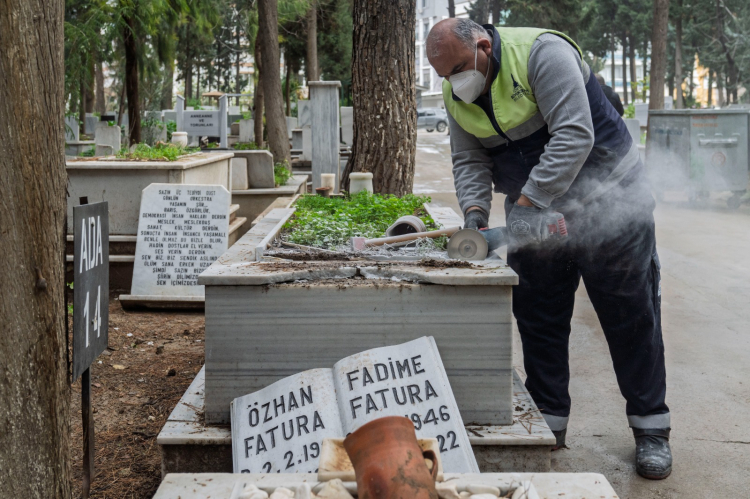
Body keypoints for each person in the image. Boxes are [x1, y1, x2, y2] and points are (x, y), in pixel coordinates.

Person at [426, 18, 671, 480]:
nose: (454, 82)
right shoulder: (455, 90)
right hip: (533, 210)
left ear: (482, 45)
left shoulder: (542, 55)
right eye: (444, 75)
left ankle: (651, 429)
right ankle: (548, 423)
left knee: (630, 314)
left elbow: (575, 134)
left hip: (610, 198)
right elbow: (469, 158)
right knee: (538, 314)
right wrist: (476, 213)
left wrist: (529, 202)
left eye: (458, 67)